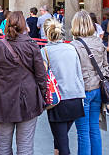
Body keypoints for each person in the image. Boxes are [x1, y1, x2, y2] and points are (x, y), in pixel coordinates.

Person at [0, 11, 47, 155]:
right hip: (29, 100)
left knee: (2, 147)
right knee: (25, 147)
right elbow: (41, 76)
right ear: (24, 25)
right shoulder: (32, 46)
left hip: (3, 100)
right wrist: (42, 97)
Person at [41, 18, 85, 155]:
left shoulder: (45, 51)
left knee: (62, 141)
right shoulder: (71, 48)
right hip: (76, 98)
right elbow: (79, 74)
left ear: (46, 33)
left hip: (58, 100)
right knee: (60, 138)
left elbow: (42, 78)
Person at [70, 11, 109, 155]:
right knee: (94, 128)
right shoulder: (99, 42)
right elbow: (106, 66)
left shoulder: (73, 45)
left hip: (83, 90)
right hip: (98, 88)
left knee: (83, 132)